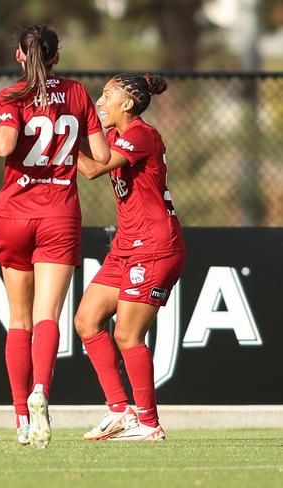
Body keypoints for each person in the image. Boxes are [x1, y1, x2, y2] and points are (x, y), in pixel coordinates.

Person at [0, 25, 110, 448]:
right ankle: (41, 393)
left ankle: (19, 419)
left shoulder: (11, 96)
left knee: (19, 319)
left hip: (15, 213)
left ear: (18, 55)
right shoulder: (78, 93)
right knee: (49, 316)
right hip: (60, 213)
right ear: (57, 57)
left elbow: (5, 145)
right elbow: (102, 158)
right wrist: (67, 152)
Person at [74, 73, 185, 441]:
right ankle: (121, 412)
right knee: (87, 321)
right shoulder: (113, 135)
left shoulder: (140, 134)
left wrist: (63, 139)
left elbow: (90, 169)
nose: (100, 101)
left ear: (127, 104)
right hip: (126, 246)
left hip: (155, 246)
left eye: (107, 96)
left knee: (127, 334)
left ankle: (150, 424)